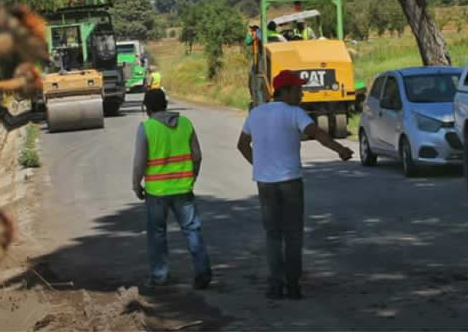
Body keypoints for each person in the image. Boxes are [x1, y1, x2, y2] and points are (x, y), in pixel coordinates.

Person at [236, 70, 354, 300]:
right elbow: (317, 133)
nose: (301, 94)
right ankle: (292, 285)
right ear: (286, 91)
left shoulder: (256, 113)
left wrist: (259, 165)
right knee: (293, 235)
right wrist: (340, 149)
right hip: (290, 182)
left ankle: (275, 285)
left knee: (272, 235)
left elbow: (242, 145)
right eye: (298, 90)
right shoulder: (294, 113)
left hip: (265, 184)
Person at [133, 89, 212, 289]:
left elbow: (139, 162)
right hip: (183, 190)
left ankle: (160, 276)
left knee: (157, 234)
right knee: (192, 230)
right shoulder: (185, 124)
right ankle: (202, 272)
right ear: (166, 104)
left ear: (146, 108)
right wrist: (192, 176)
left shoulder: (146, 128)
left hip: (156, 193)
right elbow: (197, 155)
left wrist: (136, 185)